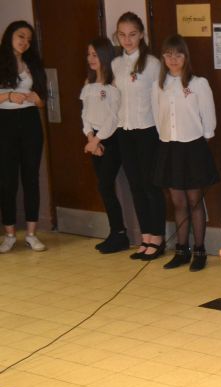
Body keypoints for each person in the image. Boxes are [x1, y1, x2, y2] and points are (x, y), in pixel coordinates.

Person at [152, 35, 218, 272]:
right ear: (163, 57)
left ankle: (199, 250)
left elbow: (209, 119)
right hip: (169, 147)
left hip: (193, 147)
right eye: (168, 54)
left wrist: (200, 139)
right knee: (177, 202)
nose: (173, 59)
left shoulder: (198, 84)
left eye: (178, 54)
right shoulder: (159, 85)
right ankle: (182, 250)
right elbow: (157, 117)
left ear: (186, 57)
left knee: (194, 201)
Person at [112, 12, 166, 261]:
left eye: (132, 34)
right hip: (124, 130)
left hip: (148, 131)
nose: (127, 40)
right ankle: (145, 236)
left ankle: (158, 237)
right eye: (122, 35)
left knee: (150, 185)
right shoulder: (116, 64)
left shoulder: (152, 64)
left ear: (141, 34)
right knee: (135, 185)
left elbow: (160, 100)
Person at [0, 21, 46, 253]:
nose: (24, 42)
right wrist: (8, 96)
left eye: (28, 39)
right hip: (4, 122)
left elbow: (42, 100)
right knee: (7, 180)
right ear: (9, 35)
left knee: (31, 178)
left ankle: (31, 234)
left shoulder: (33, 63)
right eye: (21, 36)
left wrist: (37, 100)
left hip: (30, 122)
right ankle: (9, 234)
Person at [80, 37, 129, 254]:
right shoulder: (88, 83)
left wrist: (97, 140)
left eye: (95, 54)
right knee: (104, 186)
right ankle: (115, 232)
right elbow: (85, 114)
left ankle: (120, 234)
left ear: (105, 56)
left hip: (110, 139)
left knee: (105, 186)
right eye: (89, 54)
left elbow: (112, 117)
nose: (91, 59)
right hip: (94, 140)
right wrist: (90, 137)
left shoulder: (112, 84)